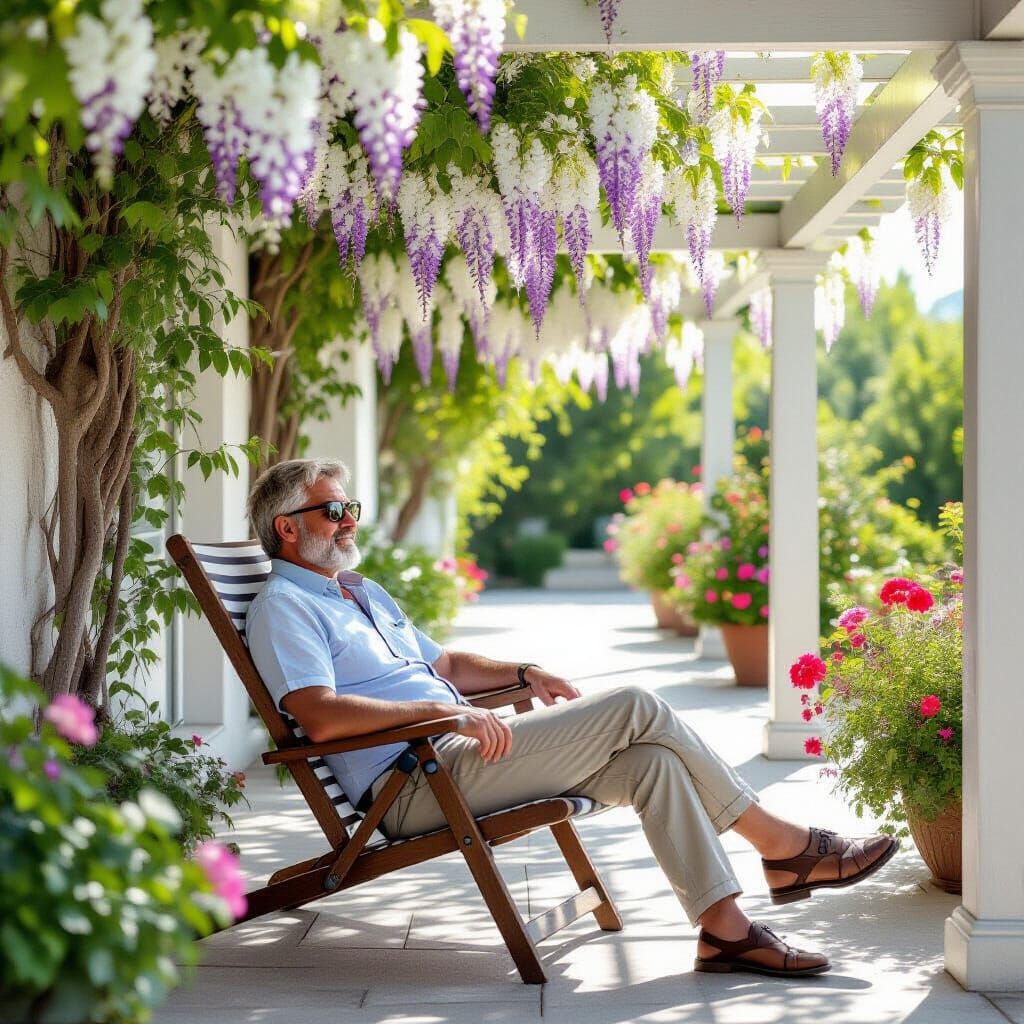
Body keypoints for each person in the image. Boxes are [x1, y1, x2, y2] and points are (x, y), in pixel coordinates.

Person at [245, 458, 899, 978]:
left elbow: (447, 662)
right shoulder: (285, 607)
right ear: (288, 527)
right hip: (416, 782)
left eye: (351, 509)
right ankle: (784, 847)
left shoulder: (360, 591)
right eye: (335, 511)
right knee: (637, 705)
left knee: (652, 761)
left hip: (454, 753)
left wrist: (524, 672)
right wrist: (439, 710)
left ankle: (725, 933)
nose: (350, 522)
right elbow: (320, 716)